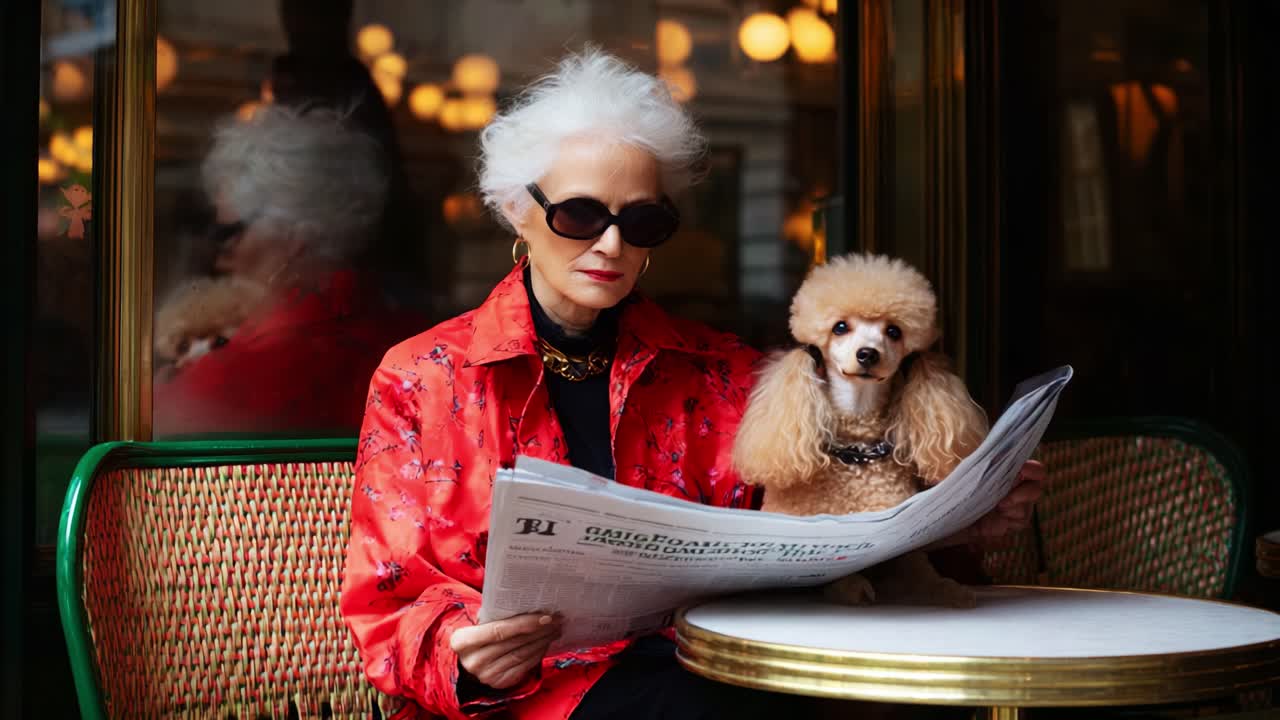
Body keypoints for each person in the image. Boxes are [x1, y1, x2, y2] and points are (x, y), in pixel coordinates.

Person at [340, 47, 1044, 720]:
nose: (611, 245)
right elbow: (387, 600)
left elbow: (830, 524)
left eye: (641, 221)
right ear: (517, 209)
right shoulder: (425, 377)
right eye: (580, 215)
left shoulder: (723, 373)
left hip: (712, 665)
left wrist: (964, 519)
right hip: (535, 698)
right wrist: (462, 656)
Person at [153, 103, 425, 436]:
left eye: (231, 232)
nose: (222, 252)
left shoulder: (256, 371)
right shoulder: (409, 340)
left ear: (293, 237)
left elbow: (158, 422)